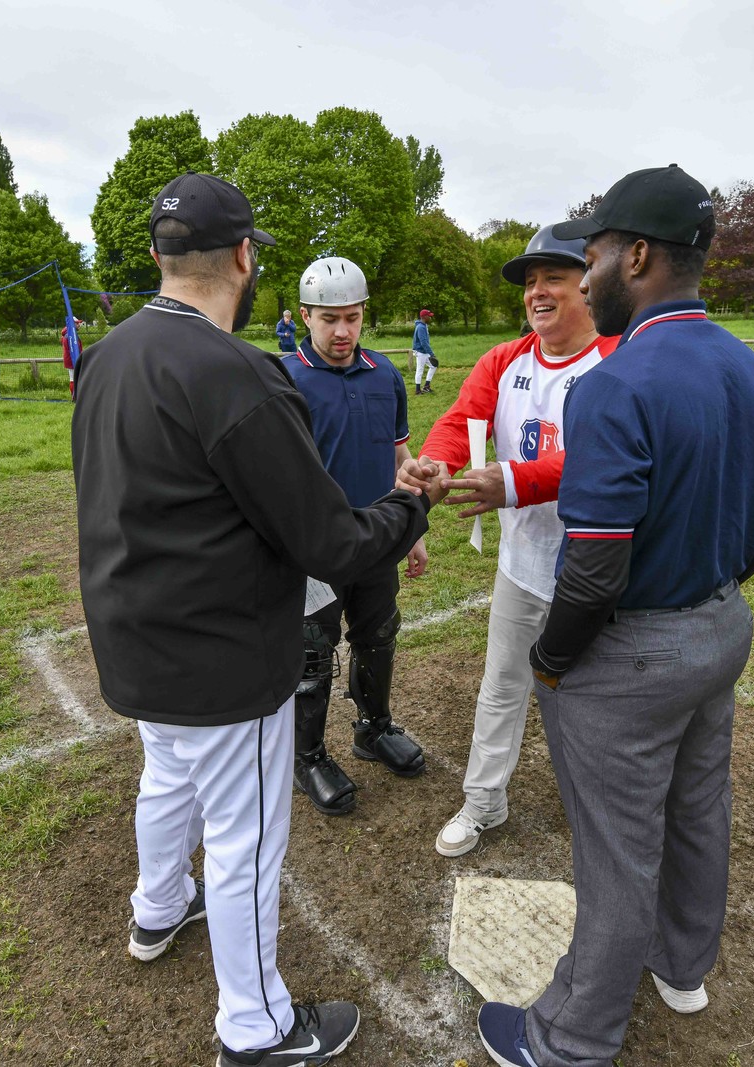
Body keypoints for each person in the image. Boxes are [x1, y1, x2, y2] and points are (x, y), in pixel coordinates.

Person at [71, 171, 438, 1066]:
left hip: (135, 635)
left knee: (167, 779)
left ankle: (157, 908)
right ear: (244, 257)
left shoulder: (111, 352)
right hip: (222, 658)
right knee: (246, 837)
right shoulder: (238, 372)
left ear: (159, 256)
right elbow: (332, 541)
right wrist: (409, 505)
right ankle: (257, 1024)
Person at [475, 165, 754, 1067]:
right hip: (721, 627)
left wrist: (551, 659)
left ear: (640, 254)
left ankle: (571, 1038)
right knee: (697, 807)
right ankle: (682, 965)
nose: (585, 277)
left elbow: (595, 567)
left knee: (618, 851)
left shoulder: (613, 384)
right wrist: (708, 582)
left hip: (632, 652)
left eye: (600, 254)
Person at [394, 224, 619, 857]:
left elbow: (613, 462)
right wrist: (436, 462)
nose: (537, 293)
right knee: (501, 689)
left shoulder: (619, 360)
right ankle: (484, 802)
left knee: (598, 706)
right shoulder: (505, 360)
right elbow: (461, 419)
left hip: (599, 575)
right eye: (529, 282)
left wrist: (515, 482)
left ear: (590, 282)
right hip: (523, 567)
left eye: (553, 277)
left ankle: (607, 820)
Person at [281, 255, 430, 815]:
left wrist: (411, 529)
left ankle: (372, 729)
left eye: (352, 317)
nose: (342, 332)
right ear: (305, 316)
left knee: (378, 635)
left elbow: (399, 454)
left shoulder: (384, 374)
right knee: (313, 655)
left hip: (375, 538)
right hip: (314, 549)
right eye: (328, 319)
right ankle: (308, 756)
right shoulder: (284, 378)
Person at [412, 308, 437, 395]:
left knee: (433, 366)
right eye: (429, 316)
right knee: (420, 370)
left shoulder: (424, 325)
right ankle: (417, 390)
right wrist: (432, 353)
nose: (430, 318)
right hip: (421, 352)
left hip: (424, 352)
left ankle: (426, 386)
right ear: (424, 317)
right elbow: (423, 343)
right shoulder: (420, 327)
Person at [60, 318, 85, 396]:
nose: (79, 325)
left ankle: (75, 395)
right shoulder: (71, 336)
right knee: (73, 379)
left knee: (74, 378)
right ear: (72, 324)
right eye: (77, 323)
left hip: (71, 360)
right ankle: (74, 396)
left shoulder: (68, 334)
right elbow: (74, 349)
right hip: (73, 360)